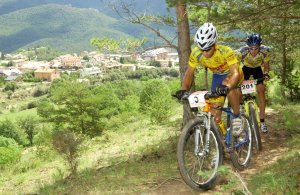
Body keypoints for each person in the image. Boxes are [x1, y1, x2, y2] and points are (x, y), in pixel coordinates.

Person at [175, 23, 244, 137]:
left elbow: (235, 73)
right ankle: (224, 142)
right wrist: (184, 89)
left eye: (207, 49)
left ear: (214, 44)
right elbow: (189, 73)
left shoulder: (226, 51)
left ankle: (237, 117)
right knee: (215, 115)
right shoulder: (196, 53)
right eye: (202, 49)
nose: (205, 53)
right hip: (218, 76)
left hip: (234, 74)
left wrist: (228, 87)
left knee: (229, 86)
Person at [235, 33, 270, 133]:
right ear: (248, 47)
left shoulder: (265, 51)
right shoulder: (241, 52)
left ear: (260, 46)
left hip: (257, 69)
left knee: (261, 91)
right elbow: (236, 67)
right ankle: (238, 111)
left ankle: (262, 122)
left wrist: (266, 73)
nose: (253, 51)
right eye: (251, 48)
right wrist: (236, 78)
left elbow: (266, 65)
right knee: (239, 90)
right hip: (245, 69)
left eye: (256, 48)